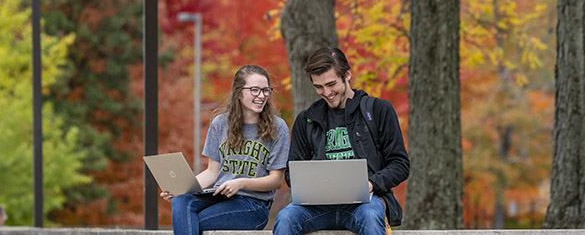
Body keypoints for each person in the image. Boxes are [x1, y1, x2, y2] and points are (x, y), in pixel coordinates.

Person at [273, 47, 410, 235]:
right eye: (318, 87)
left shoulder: (378, 110)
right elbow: (291, 172)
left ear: (347, 75)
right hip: (317, 206)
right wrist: (311, 185)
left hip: (364, 204)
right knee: (285, 218)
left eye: (331, 84)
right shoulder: (306, 120)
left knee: (370, 217)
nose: (326, 92)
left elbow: (400, 164)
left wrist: (369, 184)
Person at [160, 65, 290, 235]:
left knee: (188, 222)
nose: (262, 96)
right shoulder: (220, 124)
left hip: (253, 205)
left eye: (266, 90)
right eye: (255, 90)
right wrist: (179, 189)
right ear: (238, 93)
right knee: (180, 201)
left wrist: (241, 183)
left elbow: (276, 180)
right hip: (219, 196)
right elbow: (212, 173)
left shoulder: (278, 127)